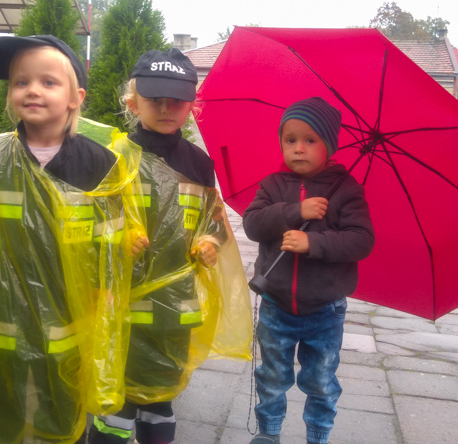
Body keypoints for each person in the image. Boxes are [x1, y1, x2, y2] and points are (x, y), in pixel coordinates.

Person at [0, 35, 145, 444]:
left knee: (61, 395)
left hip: (70, 308)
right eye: (20, 82)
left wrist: (111, 278)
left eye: (48, 82)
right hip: (1, 308)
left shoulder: (101, 164)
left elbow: (109, 238)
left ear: (74, 97)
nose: (32, 90)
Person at [88, 49, 253, 444]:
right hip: (122, 298)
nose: (166, 108)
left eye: (177, 100)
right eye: (154, 99)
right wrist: (116, 237)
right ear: (133, 103)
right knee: (118, 392)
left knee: (162, 391)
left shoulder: (199, 164)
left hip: (176, 304)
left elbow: (213, 223)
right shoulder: (113, 158)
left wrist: (209, 243)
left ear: (193, 106)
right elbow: (91, 219)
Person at [242, 97, 375, 444]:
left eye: (310, 140)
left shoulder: (347, 190)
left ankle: (318, 435)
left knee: (320, 380)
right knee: (272, 376)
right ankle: (269, 433)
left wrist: (313, 243)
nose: (298, 148)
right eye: (290, 140)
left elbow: (361, 241)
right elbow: (252, 224)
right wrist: (294, 211)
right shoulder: (273, 185)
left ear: (329, 145)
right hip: (276, 303)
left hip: (325, 309)